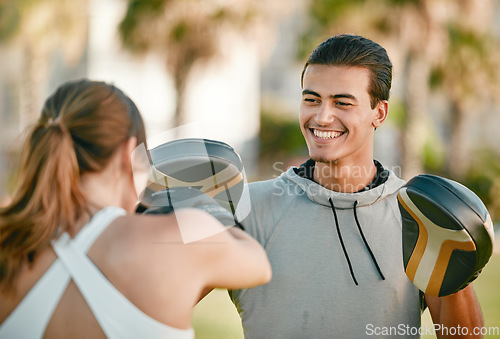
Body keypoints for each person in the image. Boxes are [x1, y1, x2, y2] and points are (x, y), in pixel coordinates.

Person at [230, 34, 483, 338]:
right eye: (311, 100)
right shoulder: (243, 208)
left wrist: (455, 266)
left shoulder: (420, 216)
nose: (322, 117)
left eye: (342, 102)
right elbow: (163, 300)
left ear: (380, 113)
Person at [0, 79, 271, 338]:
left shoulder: (7, 241)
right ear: (127, 152)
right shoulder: (179, 236)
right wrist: (200, 209)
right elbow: (258, 264)